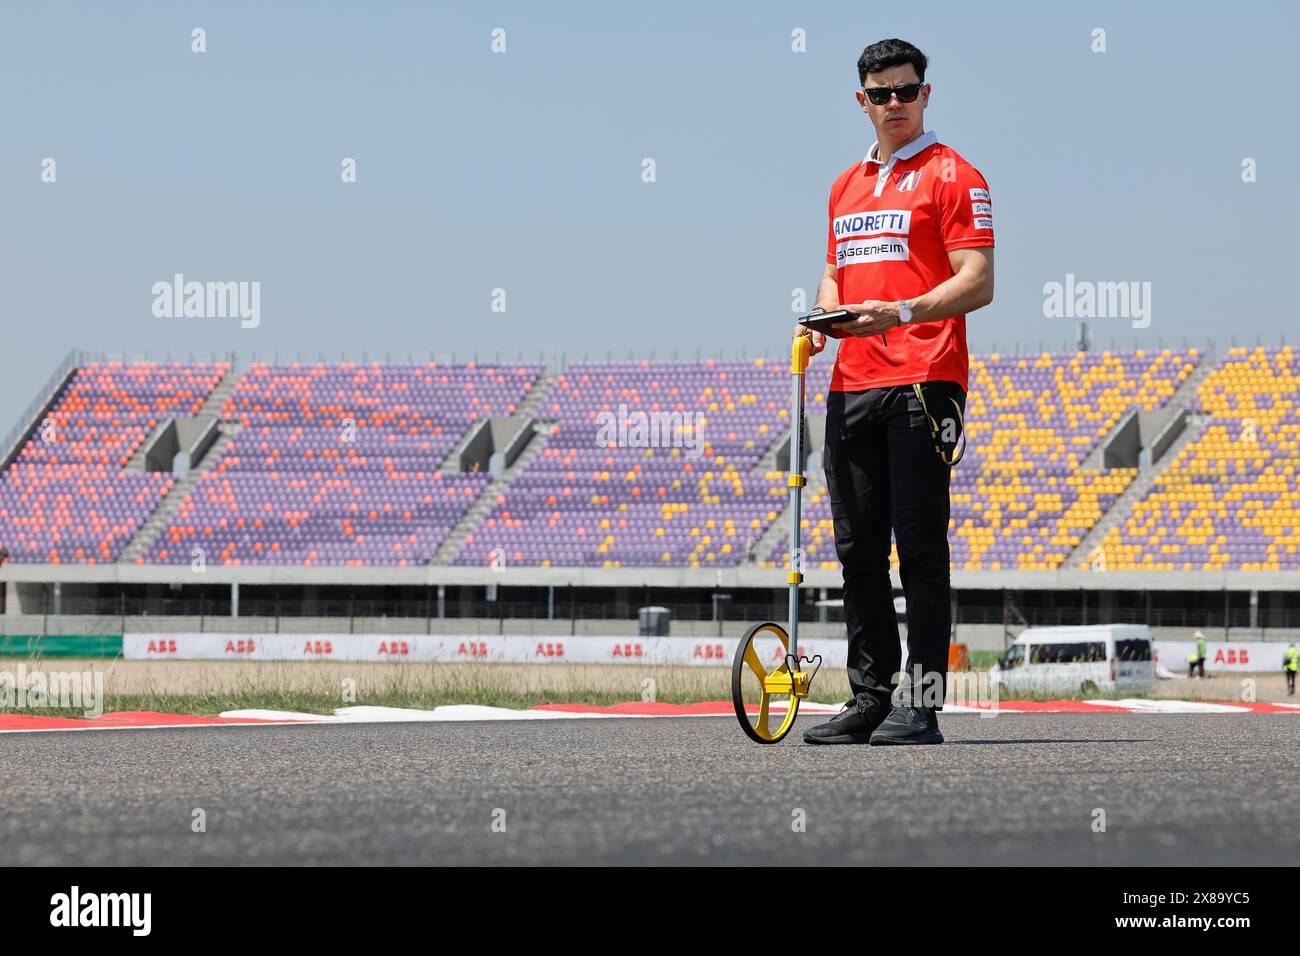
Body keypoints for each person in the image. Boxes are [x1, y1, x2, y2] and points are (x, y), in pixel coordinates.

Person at [800, 39, 995, 745]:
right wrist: (824, 314)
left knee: (920, 548)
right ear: (862, 100)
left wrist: (903, 311)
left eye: (906, 91)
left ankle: (925, 703)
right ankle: (870, 697)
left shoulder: (955, 174)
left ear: (926, 94)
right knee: (856, 550)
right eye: (880, 94)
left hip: (924, 378)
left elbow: (980, 280)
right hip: (852, 381)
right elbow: (834, 271)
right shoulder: (844, 185)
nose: (894, 105)